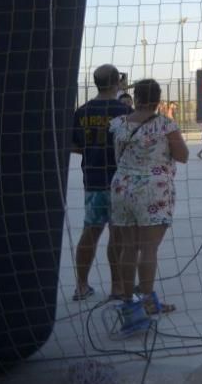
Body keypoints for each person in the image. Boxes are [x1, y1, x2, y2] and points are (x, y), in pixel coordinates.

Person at [108, 79, 189, 334]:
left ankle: (127, 301)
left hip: (122, 188)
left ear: (136, 96)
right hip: (153, 191)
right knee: (149, 249)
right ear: (158, 99)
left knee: (128, 247)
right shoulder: (165, 125)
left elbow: (116, 156)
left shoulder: (119, 124)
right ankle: (148, 300)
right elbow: (183, 156)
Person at [71, 64, 132, 301]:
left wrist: (92, 150)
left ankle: (81, 285)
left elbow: (74, 145)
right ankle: (117, 287)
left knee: (90, 232)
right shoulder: (124, 111)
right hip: (119, 181)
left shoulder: (82, 111)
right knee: (117, 236)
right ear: (117, 82)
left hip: (93, 180)